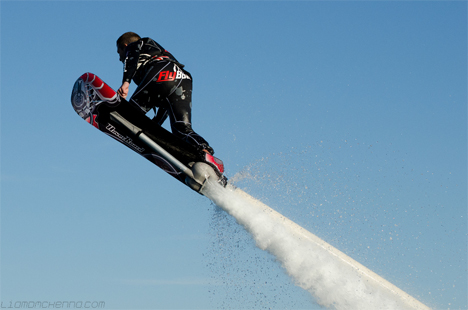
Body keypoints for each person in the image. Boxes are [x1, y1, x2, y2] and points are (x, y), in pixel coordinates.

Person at [116, 32, 214, 155]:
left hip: (162, 71)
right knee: (182, 129)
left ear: (125, 46)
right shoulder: (156, 50)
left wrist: (126, 83)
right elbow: (166, 101)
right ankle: (205, 152)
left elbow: (132, 56)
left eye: (119, 53)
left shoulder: (135, 45)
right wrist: (155, 127)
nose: (120, 58)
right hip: (183, 78)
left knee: (129, 115)